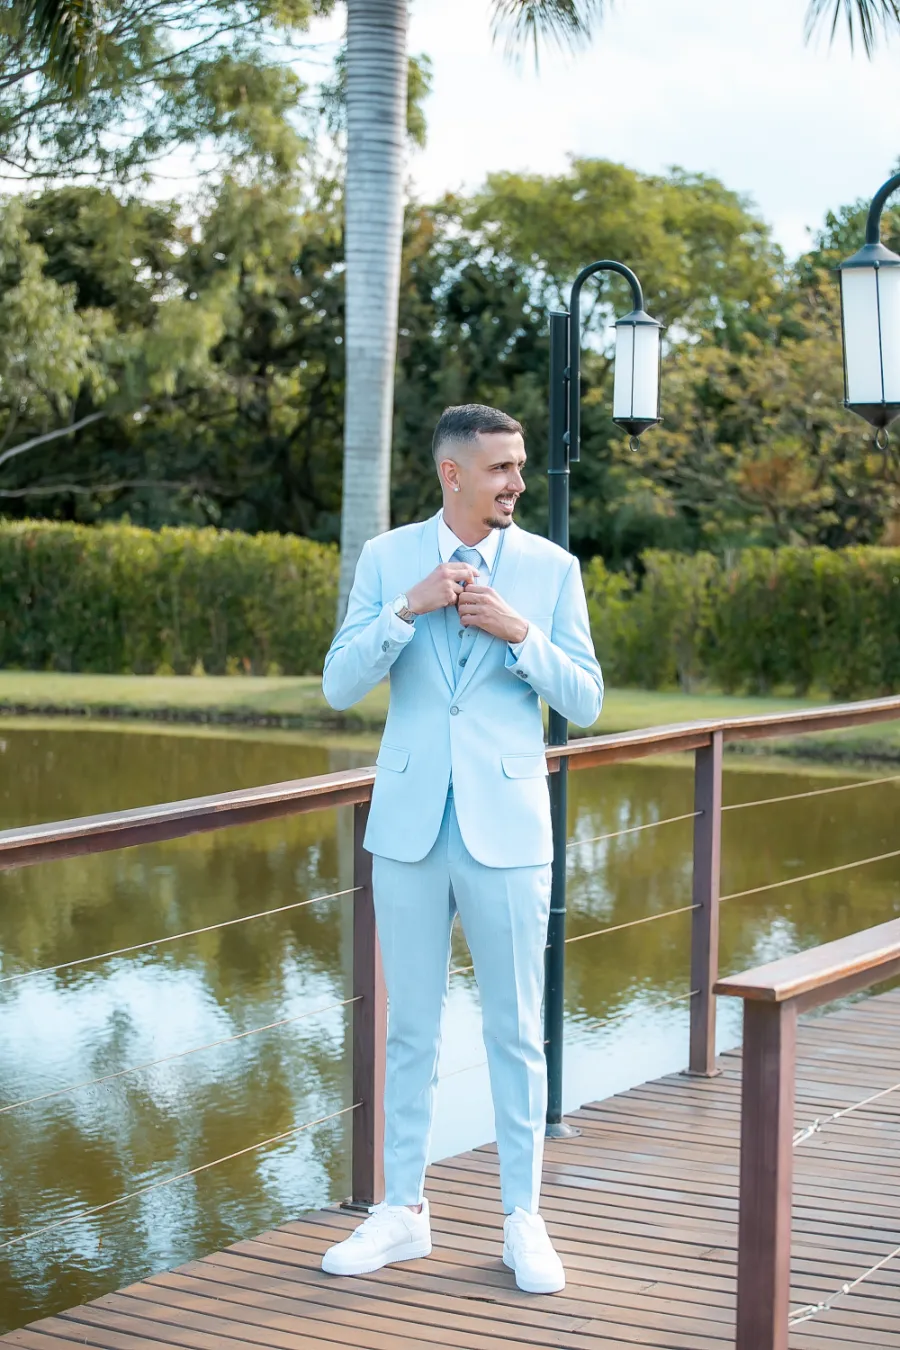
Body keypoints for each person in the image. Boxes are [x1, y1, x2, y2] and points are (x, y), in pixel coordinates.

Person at [320, 403, 603, 1294]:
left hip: (509, 829)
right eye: (501, 469)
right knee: (409, 1028)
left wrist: (519, 634)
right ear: (453, 474)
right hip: (407, 825)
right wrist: (410, 609)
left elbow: (588, 700)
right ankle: (402, 1211)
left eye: (520, 467)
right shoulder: (386, 560)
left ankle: (524, 1219)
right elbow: (338, 684)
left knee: (516, 1031)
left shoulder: (553, 572)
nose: (517, 481)